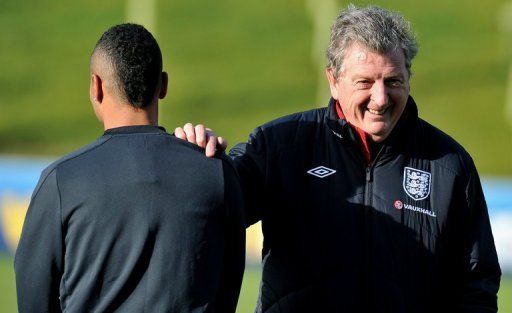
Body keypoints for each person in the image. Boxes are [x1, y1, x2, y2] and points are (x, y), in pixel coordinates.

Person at [175, 5, 502, 313]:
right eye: (365, 82)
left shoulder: (449, 164)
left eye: (393, 81)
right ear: (333, 80)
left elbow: (477, 285)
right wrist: (197, 161)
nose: (380, 98)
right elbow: (214, 212)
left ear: (409, 78)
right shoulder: (281, 145)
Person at [15, 23, 245, 313]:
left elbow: (34, 299)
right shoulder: (217, 171)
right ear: (163, 85)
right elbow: (228, 289)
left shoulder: (61, 181)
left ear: (96, 87)